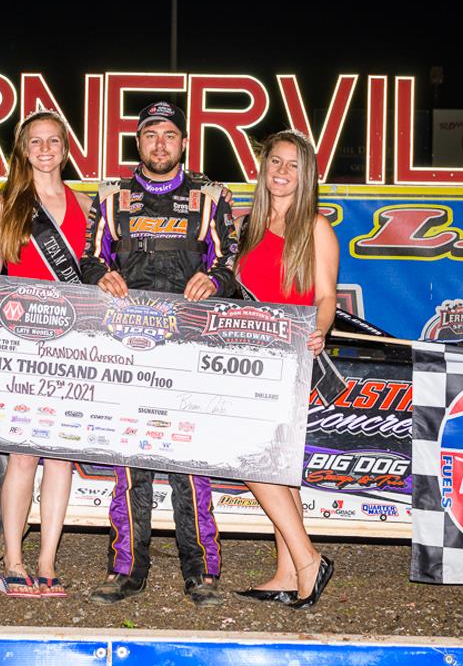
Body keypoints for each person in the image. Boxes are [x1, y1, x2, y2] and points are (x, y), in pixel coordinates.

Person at [80, 100, 240, 607]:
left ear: (184, 142)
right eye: (151, 135)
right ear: (139, 142)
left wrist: (214, 279)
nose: (160, 144)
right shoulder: (111, 196)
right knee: (131, 460)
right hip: (128, 349)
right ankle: (126, 570)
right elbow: (89, 258)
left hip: (189, 347)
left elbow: (231, 263)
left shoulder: (211, 197)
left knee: (189, 461)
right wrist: (98, 275)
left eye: (169, 135)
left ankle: (202, 573)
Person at [0, 109, 91, 598]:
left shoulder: (88, 206)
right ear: (23, 150)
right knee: (22, 456)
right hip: (22, 344)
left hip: (74, 346)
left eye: (53, 140)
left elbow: (98, 273)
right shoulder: (7, 204)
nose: (44, 149)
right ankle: (14, 561)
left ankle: (47, 561)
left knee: (60, 458)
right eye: (35, 141)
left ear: (66, 148)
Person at [234, 130, 338, 610]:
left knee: (252, 458)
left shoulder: (315, 227)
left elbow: (326, 295)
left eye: (293, 165)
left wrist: (320, 329)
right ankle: (287, 572)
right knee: (276, 466)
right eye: (275, 161)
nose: (281, 171)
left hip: (289, 356)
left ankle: (308, 559)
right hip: (246, 355)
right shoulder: (248, 225)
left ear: (306, 174)